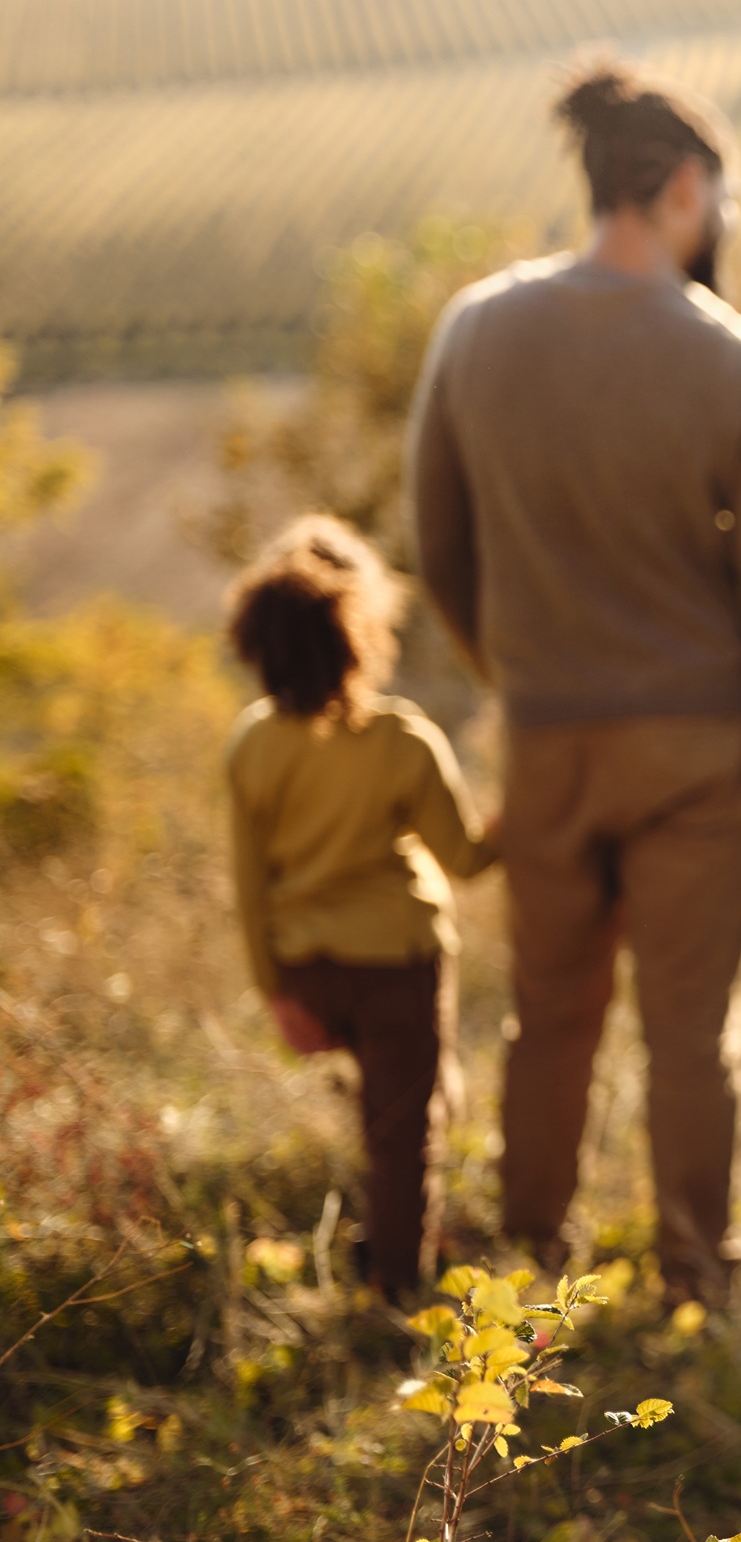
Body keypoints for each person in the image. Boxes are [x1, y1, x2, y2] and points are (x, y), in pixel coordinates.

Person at [407, 57, 741, 1307]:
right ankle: (698, 1280)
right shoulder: (740, 365)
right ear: (687, 190)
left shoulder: (476, 329)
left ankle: (526, 1267)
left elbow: (439, 544)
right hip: (699, 756)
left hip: (545, 739)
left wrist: (518, 673)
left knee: (549, 1017)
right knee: (691, 1033)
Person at [223, 514, 498, 1301]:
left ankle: (380, 1239)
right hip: (397, 966)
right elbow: (468, 861)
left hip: (309, 971)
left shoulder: (252, 745)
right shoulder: (403, 741)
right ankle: (398, 1293)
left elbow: (249, 889)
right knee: (407, 1133)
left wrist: (275, 993)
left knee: (387, 1113)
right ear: (364, 630)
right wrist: (517, 821)